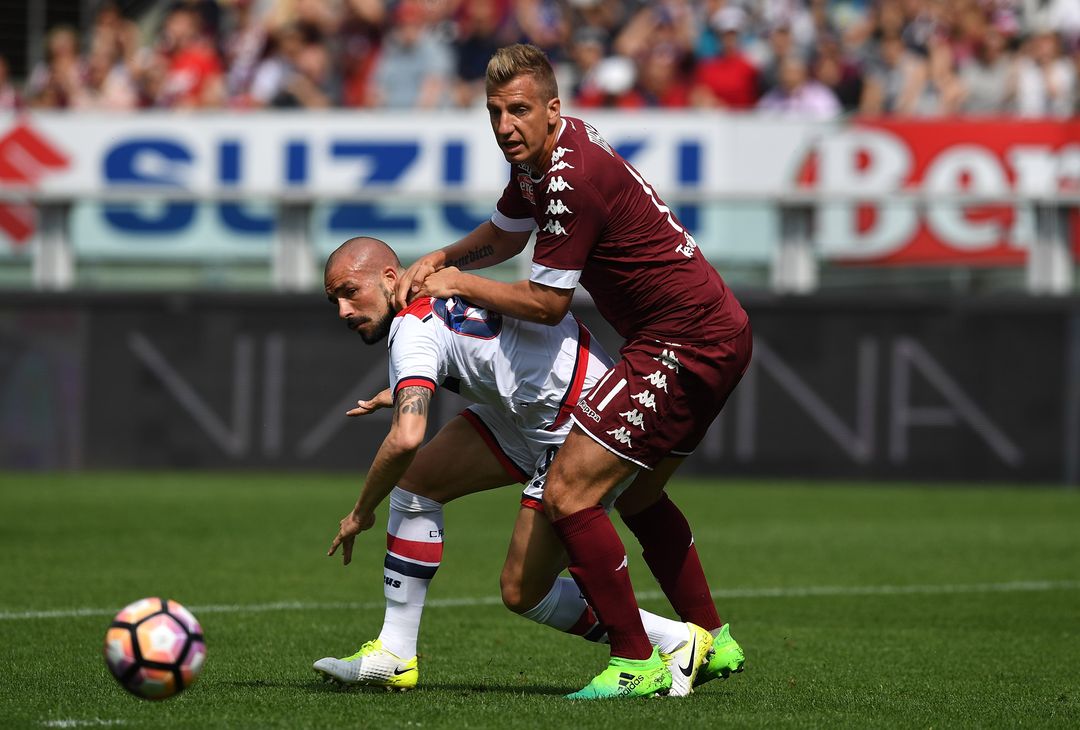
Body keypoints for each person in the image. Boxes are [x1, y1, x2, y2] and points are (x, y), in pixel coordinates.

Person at [394, 43, 750, 699]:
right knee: (636, 494)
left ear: (553, 110)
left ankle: (637, 661)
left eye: (519, 110)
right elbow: (505, 235)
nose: (505, 126)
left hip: (682, 341)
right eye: (495, 112)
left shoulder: (568, 179)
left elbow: (546, 303)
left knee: (569, 493)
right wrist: (444, 258)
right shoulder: (540, 162)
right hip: (712, 331)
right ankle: (711, 638)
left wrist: (458, 284)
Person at [313, 237, 717, 698]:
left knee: (522, 592)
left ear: (390, 278)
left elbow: (406, 437)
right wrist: (405, 387)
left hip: (580, 426)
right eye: (335, 300)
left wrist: (361, 512)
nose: (344, 311)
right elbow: (490, 345)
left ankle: (675, 641)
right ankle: (394, 653)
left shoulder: (410, 325)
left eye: (350, 292)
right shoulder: (442, 289)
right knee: (417, 484)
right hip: (544, 408)